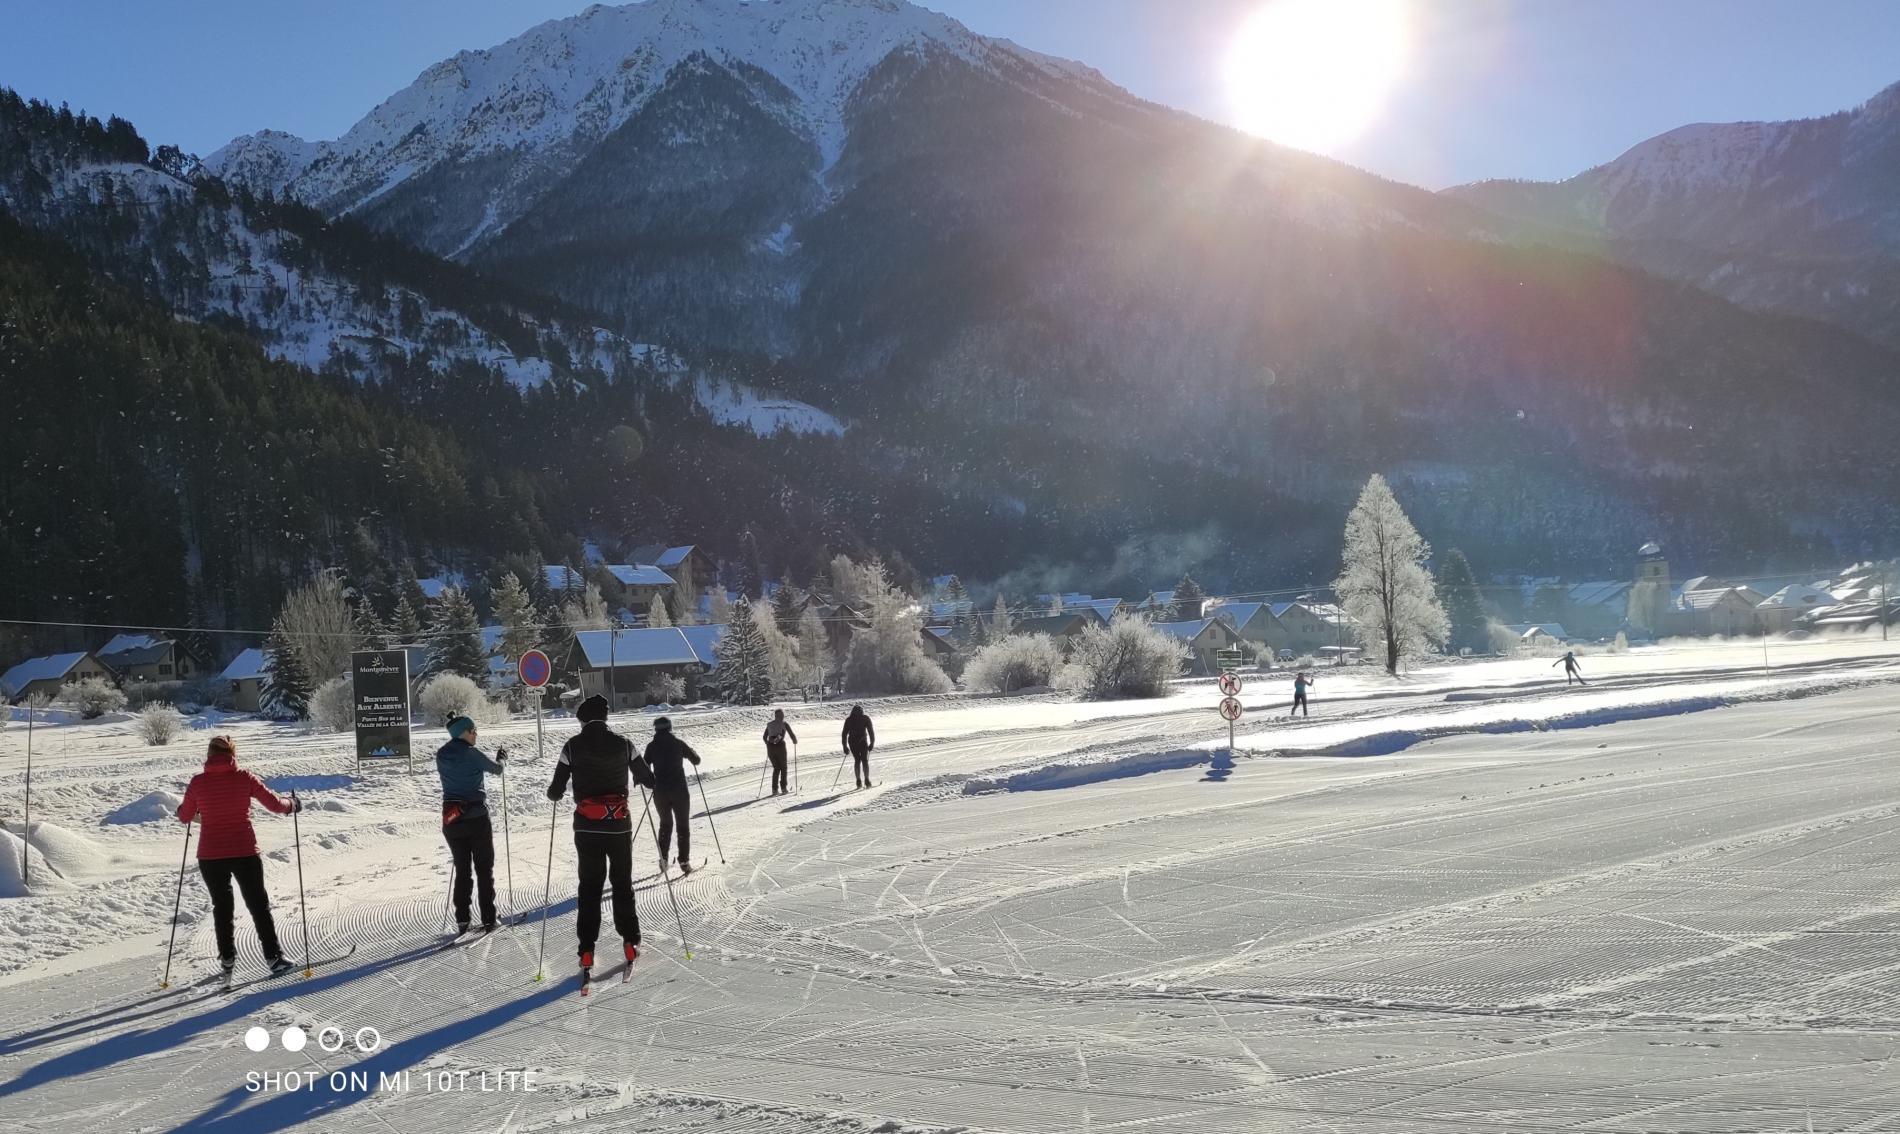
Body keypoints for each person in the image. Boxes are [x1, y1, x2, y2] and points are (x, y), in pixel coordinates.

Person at [175, 735, 300, 977]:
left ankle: (227, 958)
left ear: (209, 755)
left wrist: (182, 810)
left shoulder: (198, 783)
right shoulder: (244, 778)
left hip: (210, 856)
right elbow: (275, 804)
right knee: (258, 905)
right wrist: (292, 804)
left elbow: (185, 816)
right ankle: (274, 958)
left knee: (222, 906)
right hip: (244, 852)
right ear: (232, 754)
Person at [547, 694, 653, 979]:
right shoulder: (625, 745)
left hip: (586, 828)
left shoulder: (572, 746)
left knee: (590, 888)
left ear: (583, 720)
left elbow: (555, 791)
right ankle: (630, 943)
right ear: (605, 718)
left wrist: (560, 791)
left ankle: (586, 949)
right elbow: (648, 779)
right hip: (619, 827)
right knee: (622, 884)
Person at [436, 714, 506, 933]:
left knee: (462, 870)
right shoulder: (472, 754)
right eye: (473, 730)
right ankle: (488, 919)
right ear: (462, 732)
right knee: (484, 869)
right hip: (476, 818)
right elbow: (497, 769)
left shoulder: (442, 754)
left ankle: (462, 920)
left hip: (452, 820)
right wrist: (502, 758)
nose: (476, 734)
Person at [643, 717, 702, 874]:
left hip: (660, 792)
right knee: (683, 826)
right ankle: (684, 862)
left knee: (665, 824)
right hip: (679, 791)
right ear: (670, 727)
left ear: (655, 729)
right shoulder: (678, 743)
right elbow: (696, 760)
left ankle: (663, 860)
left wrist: (651, 781)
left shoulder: (651, 746)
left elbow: (644, 767)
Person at [762, 709, 798, 795]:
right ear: (780, 716)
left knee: (776, 768)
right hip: (780, 747)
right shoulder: (784, 724)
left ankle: (774, 790)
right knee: (783, 768)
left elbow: (764, 737)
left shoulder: (769, 725)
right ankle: (784, 788)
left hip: (770, 748)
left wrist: (768, 743)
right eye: (782, 715)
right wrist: (794, 741)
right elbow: (792, 735)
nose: (783, 716)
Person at [841, 705, 875, 789]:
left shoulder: (849, 720)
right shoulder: (865, 718)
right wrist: (872, 742)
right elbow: (871, 731)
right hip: (862, 741)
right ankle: (866, 780)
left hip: (852, 742)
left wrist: (845, 746)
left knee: (857, 760)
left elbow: (844, 734)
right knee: (864, 760)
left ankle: (858, 780)